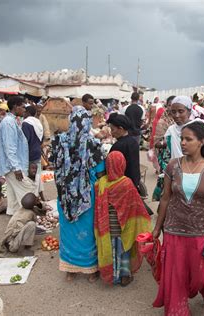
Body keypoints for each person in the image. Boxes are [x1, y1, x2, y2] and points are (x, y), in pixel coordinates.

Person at [152, 120, 204, 315]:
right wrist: (156, 228)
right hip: (174, 228)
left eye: (188, 139)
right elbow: (165, 198)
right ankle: (177, 308)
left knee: (200, 275)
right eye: (182, 139)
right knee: (175, 274)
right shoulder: (173, 166)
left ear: (201, 141)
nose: (183, 143)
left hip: (202, 229)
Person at [50, 93, 105, 283]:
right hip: (86, 196)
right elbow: (99, 172)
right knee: (88, 231)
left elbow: (53, 165)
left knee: (68, 230)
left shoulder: (58, 141)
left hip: (64, 195)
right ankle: (91, 270)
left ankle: (70, 270)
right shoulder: (93, 144)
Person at [94, 151, 151, 286]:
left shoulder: (99, 184)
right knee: (124, 248)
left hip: (107, 227)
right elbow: (136, 205)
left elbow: (97, 208)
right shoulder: (126, 183)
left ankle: (113, 275)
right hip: (123, 226)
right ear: (122, 164)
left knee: (111, 250)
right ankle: (125, 275)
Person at [0, 96, 35, 216]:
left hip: (12, 165)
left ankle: (14, 223)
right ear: (15, 107)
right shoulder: (8, 123)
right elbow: (9, 147)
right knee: (27, 192)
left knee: (13, 199)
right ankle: (26, 220)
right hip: (13, 166)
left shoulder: (14, 121)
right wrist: (16, 168)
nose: (24, 109)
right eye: (23, 107)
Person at [0, 192, 45, 257]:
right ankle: (25, 249)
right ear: (34, 203)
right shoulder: (31, 213)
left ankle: (12, 244)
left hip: (8, 239)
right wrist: (39, 203)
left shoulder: (20, 210)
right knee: (31, 225)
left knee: (24, 226)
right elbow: (42, 213)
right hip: (12, 245)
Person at [107, 113, 140, 189]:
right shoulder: (133, 142)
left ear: (121, 129)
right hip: (133, 182)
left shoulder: (118, 146)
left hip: (120, 186)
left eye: (112, 129)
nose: (111, 133)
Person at [152, 96, 175, 201]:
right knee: (166, 185)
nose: (173, 108)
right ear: (167, 106)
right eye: (170, 105)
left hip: (180, 157)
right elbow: (157, 143)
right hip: (167, 158)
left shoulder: (182, 120)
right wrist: (169, 141)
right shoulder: (163, 122)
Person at [22, 106, 44, 196]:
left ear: (27, 113)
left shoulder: (26, 123)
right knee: (37, 175)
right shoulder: (38, 123)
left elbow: (25, 141)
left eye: (24, 112)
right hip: (37, 152)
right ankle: (40, 195)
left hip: (29, 154)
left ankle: (32, 196)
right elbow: (41, 139)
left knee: (29, 176)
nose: (23, 114)